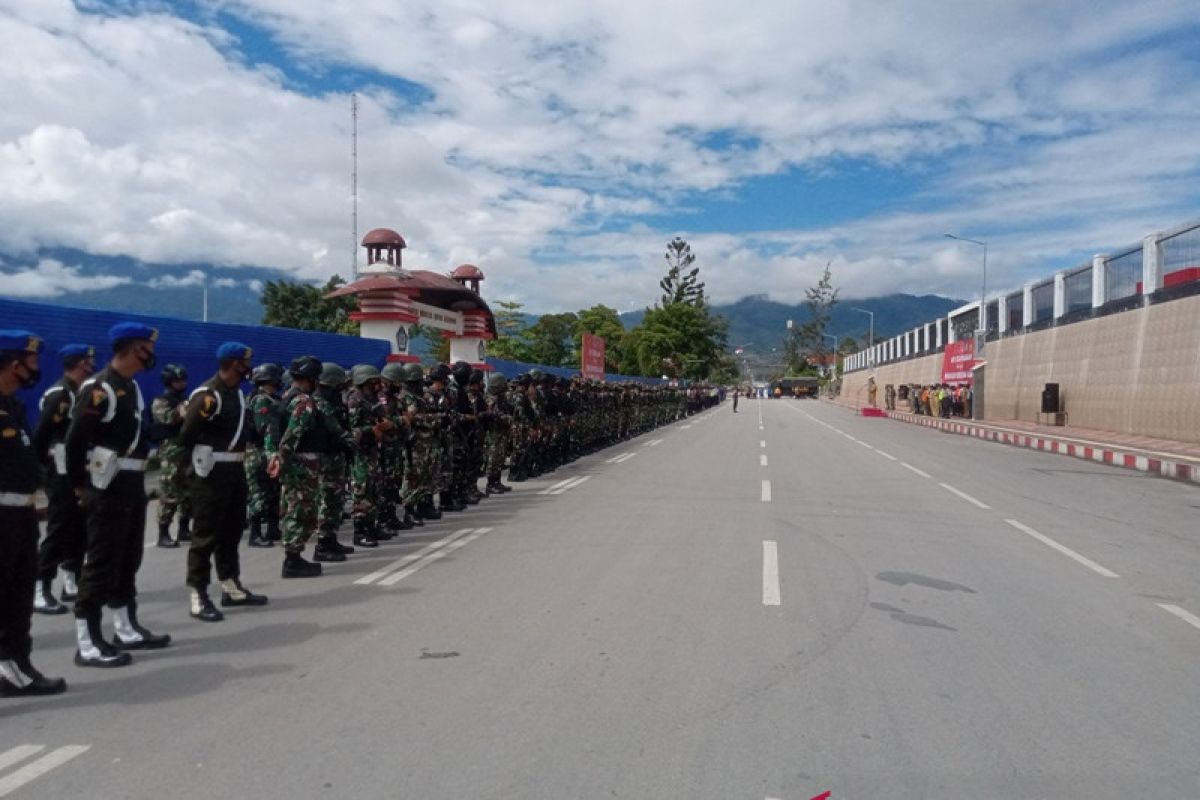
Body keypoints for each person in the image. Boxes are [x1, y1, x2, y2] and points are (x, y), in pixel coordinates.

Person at [66, 322, 170, 667]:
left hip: (131, 485)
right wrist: (80, 487)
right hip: (106, 487)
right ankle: (87, 641)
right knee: (100, 563)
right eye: (146, 348)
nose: (150, 355)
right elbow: (76, 442)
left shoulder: (132, 388)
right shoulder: (99, 390)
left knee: (127, 561)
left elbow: (142, 434)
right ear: (130, 347)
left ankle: (125, 627)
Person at [178, 342, 268, 622]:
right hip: (211, 472)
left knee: (230, 532)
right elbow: (186, 436)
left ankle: (230, 585)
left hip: (234, 470)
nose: (248, 367)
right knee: (205, 536)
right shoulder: (208, 395)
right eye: (244, 362)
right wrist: (190, 476)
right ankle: (198, 594)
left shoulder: (237, 395)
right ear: (232, 363)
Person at [0, 330, 68, 697]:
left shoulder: (13, 405)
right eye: (32, 361)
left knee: (17, 599)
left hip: (21, 516)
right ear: (14, 364)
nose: (36, 368)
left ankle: (17, 667)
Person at [30, 343, 96, 614]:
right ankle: (39, 587)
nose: (92, 366)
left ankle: (71, 578)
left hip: (77, 467)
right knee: (59, 528)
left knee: (79, 527)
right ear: (80, 364)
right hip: (60, 471)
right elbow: (41, 437)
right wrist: (47, 471)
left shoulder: (78, 391)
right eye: (89, 362)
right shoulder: (61, 395)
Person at [267, 356, 326, 578]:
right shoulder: (303, 402)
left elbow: (273, 432)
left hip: (292, 462)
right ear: (310, 379)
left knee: (293, 508)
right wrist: (283, 458)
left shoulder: (285, 398)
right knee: (301, 510)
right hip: (301, 463)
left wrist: (274, 457)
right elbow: (292, 434)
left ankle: (294, 557)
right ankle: (292, 560)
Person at [151, 364, 191, 548]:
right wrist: (182, 410)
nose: (182, 383)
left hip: (187, 450)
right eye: (177, 380)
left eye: (183, 379)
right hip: (171, 453)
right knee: (170, 492)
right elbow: (169, 418)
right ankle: (163, 533)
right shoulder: (162, 401)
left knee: (188, 492)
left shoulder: (184, 399)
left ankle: (184, 528)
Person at [245, 363, 284, 547]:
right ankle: (255, 533)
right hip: (260, 452)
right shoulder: (261, 400)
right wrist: (272, 454)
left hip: (269, 450)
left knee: (273, 492)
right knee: (259, 492)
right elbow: (266, 429)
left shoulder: (271, 398)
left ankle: (273, 528)